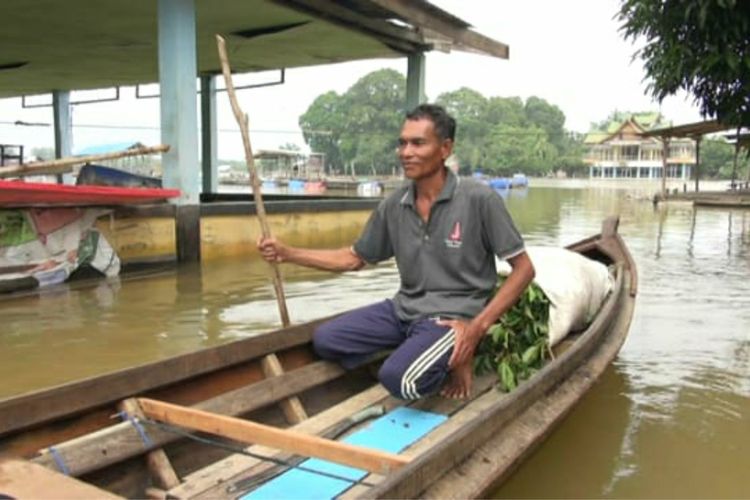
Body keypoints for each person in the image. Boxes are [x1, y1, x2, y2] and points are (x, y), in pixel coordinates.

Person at [257, 104, 534, 400]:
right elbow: (353, 259)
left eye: (418, 143)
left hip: (451, 317)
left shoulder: (479, 199)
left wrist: (476, 328)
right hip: (404, 310)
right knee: (326, 341)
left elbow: (524, 269)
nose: (405, 152)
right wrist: (288, 253)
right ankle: (417, 350)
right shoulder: (394, 204)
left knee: (401, 381)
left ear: (445, 148)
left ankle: (455, 356)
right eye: (402, 143)